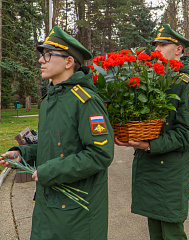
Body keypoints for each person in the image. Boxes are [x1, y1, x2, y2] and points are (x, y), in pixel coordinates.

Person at [0, 26, 114, 240]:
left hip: (76, 214)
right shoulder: (50, 100)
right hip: (49, 204)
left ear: (69, 62)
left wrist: (49, 171)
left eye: (48, 55)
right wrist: (23, 153)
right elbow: (54, 145)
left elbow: (100, 154)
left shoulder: (86, 102)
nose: (41, 60)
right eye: (42, 55)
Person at [115, 24, 189, 240]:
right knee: (155, 232)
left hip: (170, 174)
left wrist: (149, 145)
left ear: (178, 50)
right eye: (155, 45)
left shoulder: (187, 85)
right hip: (151, 170)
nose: (157, 49)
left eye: (163, 45)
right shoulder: (155, 79)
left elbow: (187, 134)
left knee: (171, 232)